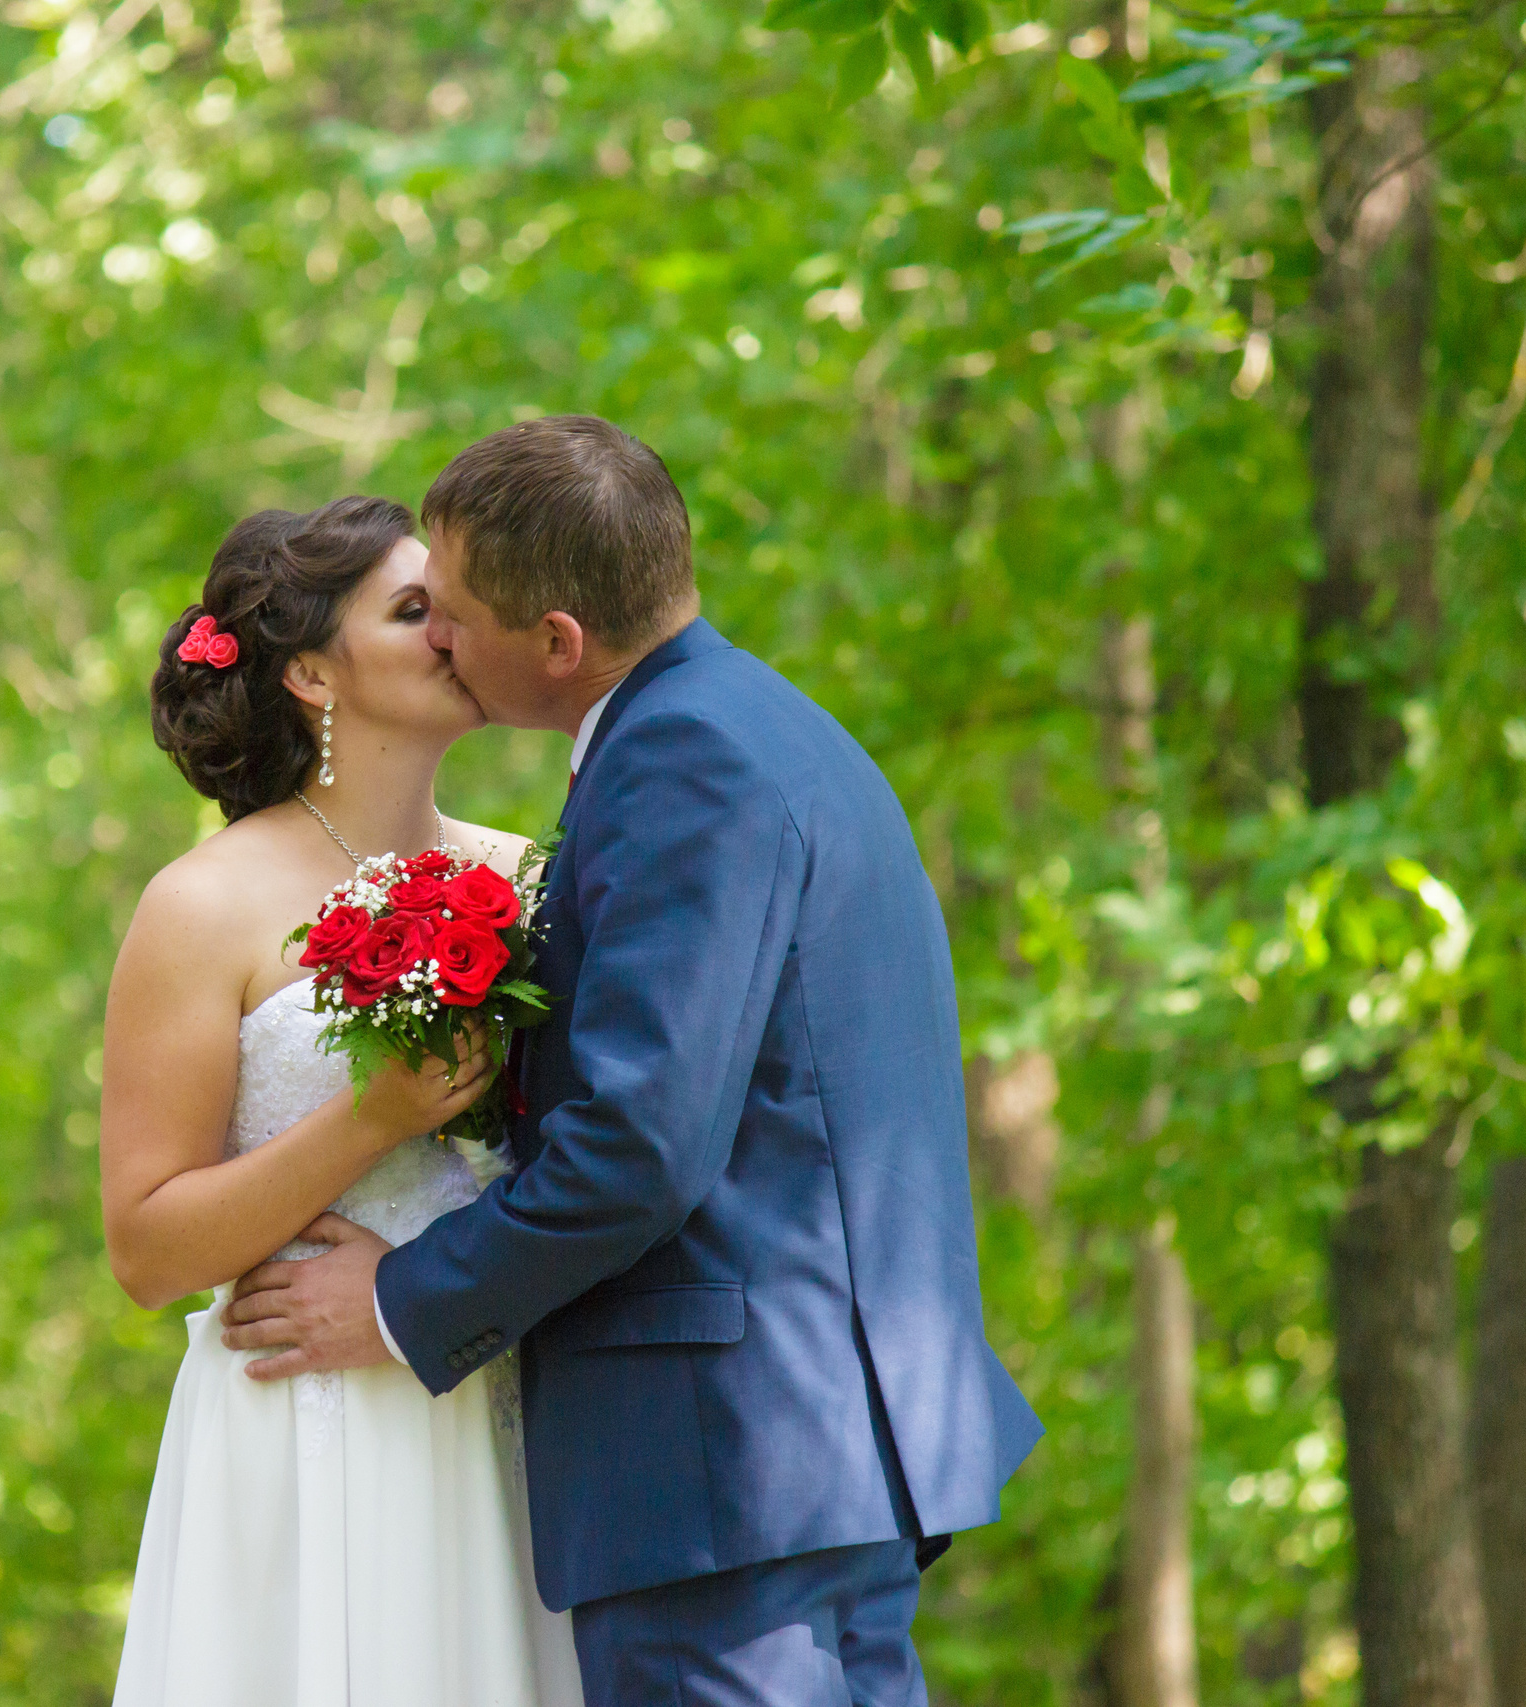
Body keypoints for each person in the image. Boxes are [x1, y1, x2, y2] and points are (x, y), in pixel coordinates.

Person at [218, 417, 1044, 1705]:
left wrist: (395, 1302)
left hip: (730, 1463)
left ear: (556, 641)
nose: (437, 639)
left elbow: (637, 1147)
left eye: (455, 615)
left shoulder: (682, 764)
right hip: (810, 1450)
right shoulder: (755, 725)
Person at [100, 495, 584, 1706]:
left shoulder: (530, 874)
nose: (455, 631)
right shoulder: (202, 906)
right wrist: (370, 1120)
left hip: (497, 1395)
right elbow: (149, 1248)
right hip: (303, 1421)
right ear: (313, 674)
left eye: (457, 606)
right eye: (417, 610)